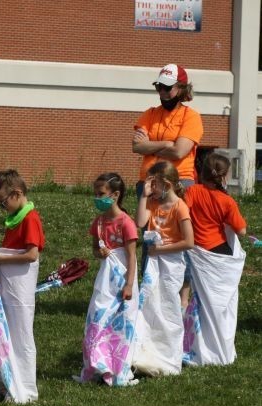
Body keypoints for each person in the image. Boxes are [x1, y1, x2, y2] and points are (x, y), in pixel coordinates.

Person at [0, 169, 45, 403]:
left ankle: (24, 386)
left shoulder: (30, 218)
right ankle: (5, 378)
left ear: (16, 194)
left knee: (21, 334)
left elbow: (31, 254)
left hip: (20, 290)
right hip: (10, 287)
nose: (3, 208)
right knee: (7, 331)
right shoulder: (15, 220)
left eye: (3, 203)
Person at [183, 153, 247, 366]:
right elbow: (242, 230)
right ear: (225, 175)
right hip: (219, 253)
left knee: (201, 302)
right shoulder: (227, 201)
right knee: (221, 304)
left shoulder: (192, 191)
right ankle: (220, 345)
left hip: (197, 251)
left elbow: (184, 212)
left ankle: (199, 343)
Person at [77, 173, 139, 386]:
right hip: (105, 280)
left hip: (122, 278)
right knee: (98, 317)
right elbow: (96, 249)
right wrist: (99, 253)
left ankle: (116, 365)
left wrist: (129, 284)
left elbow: (131, 256)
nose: (97, 198)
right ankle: (97, 362)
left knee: (120, 322)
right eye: (95, 194)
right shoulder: (99, 222)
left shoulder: (126, 223)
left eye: (101, 194)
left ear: (115, 195)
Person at [132, 161, 193, 376]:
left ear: (166, 184)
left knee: (167, 305)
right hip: (154, 259)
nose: (150, 187)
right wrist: (144, 196)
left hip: (171, 261)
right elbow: (140, 223)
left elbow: (189, 242)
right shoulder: (152, 203)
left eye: (153, 184)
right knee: (148, 304)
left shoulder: (180, 207)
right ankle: (146, 351)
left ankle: (169, 356)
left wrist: (162, 250)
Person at [132, 64, 203, 196]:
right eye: (159, 87)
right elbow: (137, 146)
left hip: (178, 182)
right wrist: (167, 144)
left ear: (181, 89)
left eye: (167, 87)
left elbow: (178, 152)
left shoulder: (191, 116)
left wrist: (150, 147)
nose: (162, 91)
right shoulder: (150, 113)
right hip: (148, 182)